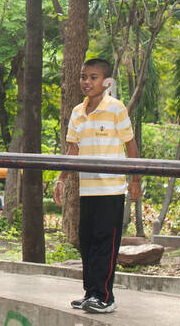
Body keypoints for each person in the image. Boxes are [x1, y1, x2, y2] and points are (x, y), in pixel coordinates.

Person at [54, 57, 141, 313]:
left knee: (105, 241)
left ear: (107, 82)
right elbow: (73, 150)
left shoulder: (116, 108)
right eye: (83, 77)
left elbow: (131, 145)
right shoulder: (77, 113)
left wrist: (135, 179)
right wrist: (62, 179)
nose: (86, 82)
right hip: (87, 189)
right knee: (88, 241)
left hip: (111, 188)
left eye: (93, 77)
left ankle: (105, 297)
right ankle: (91, 293)